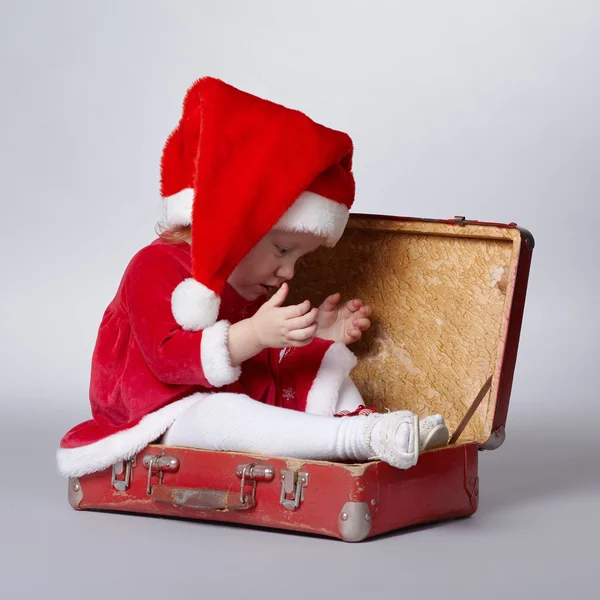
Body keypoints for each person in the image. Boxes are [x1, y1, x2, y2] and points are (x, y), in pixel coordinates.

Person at [56, 77, 449, 479]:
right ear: (234, 228)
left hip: (230, 405)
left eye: (299, 256)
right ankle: (353, 438)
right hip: (158, 417)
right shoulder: (154, 267)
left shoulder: (250, 285)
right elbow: (169, 361)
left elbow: (264, 375)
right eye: (282, 250)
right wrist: (257, 334)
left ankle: (371, 428)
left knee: (322, 372)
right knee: (222, 414)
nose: (289, 272)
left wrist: (318, 341)